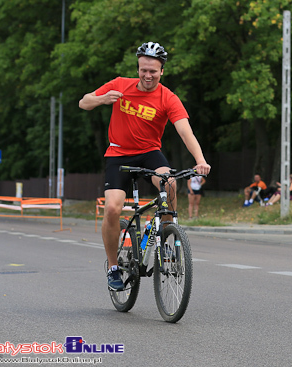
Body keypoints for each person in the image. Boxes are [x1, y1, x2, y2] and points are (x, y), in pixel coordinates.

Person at [79, 41, 211, 291]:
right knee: (112, 209)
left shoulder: (168, 98)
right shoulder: (119, 85)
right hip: (118, 154)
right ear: (138, 68)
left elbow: (185, 131)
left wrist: (200, 160)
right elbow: (83, 102)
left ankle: (167, 237)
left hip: (150, 153)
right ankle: (113, 266)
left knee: (169, 182)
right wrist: (102, 99)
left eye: (153, 71)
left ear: (162, 71)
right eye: (143, 70)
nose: (148, 75)